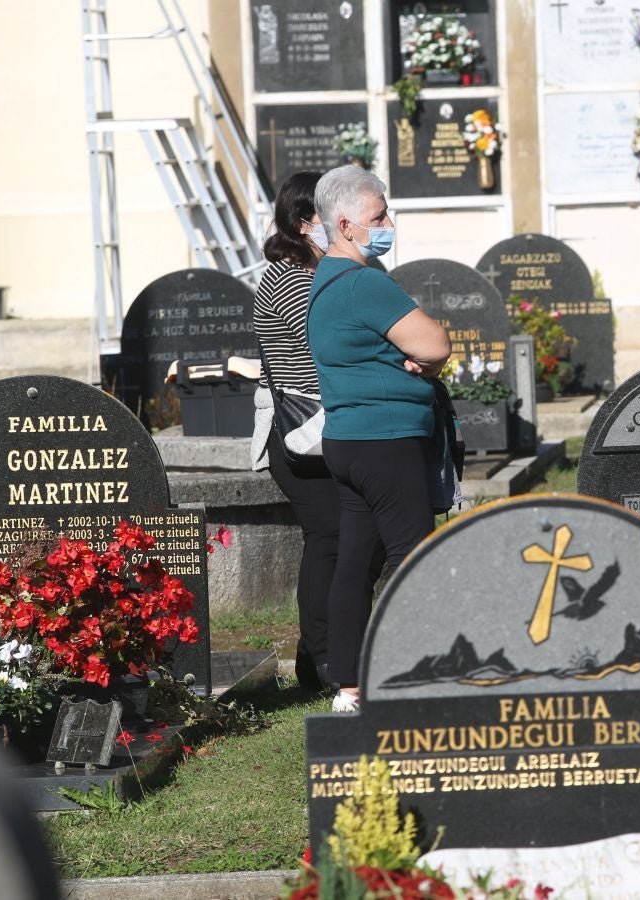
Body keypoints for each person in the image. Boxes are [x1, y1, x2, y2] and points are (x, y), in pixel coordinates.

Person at [308, 166, 452, 713]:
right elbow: (435, 343)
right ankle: (416, 673)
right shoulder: (364, 283)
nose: (389, 223)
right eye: (379, 215)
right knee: (412, 556)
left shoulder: (325, 279)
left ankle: (349, 683)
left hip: (348, 440)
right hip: (386, 438)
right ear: (346, 225)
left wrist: (417, 358)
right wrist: (426, 360)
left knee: (356, 562)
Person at [250, 171, 340, 693]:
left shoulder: (317, 271)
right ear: (306, 222)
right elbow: (326, 350)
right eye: (332, 212)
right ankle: (322, 660)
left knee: (343, 539)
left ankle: (320, 653)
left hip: (323, 427)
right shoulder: (291, 279)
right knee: (328, 537)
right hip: (302, 433)